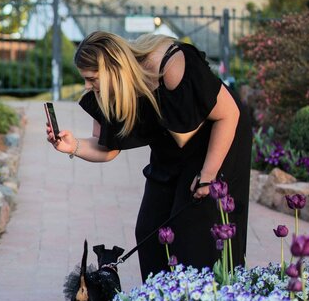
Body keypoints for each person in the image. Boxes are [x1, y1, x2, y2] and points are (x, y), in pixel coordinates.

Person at [46, 31, 251, 281]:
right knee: (149, 229)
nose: (87, 86)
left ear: (113, 66)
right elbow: (106, 148)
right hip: (170, 148)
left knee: (192, 232)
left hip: (216, 141)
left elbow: (229, 114)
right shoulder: (106, 92)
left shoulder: (169, 64)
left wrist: (208, 176)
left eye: (91, 78)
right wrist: (72, 146)